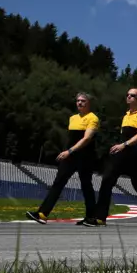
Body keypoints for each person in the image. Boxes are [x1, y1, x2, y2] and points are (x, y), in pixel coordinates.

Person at [92, 87, 137, 227]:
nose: (128, 97)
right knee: (107, 179)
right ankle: (100, 217)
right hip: (123, 153)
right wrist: (122, 146)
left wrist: (124, 145)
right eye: (127, 95)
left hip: (136, 154)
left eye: (132, 95)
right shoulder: (126, 115)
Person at [27, 92, 99, 225]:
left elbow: (87, 138)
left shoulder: (92, 118)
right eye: (78, 100)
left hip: (85, 156)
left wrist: (70, 151)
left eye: (83, 101)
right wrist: (68, 151)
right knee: (58, 182)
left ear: (89, 103)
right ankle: (43, 213)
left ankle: (91, 217)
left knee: (86, 185)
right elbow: (72, 138)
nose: (79, 103)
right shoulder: (73, 118)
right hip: (70, 155)